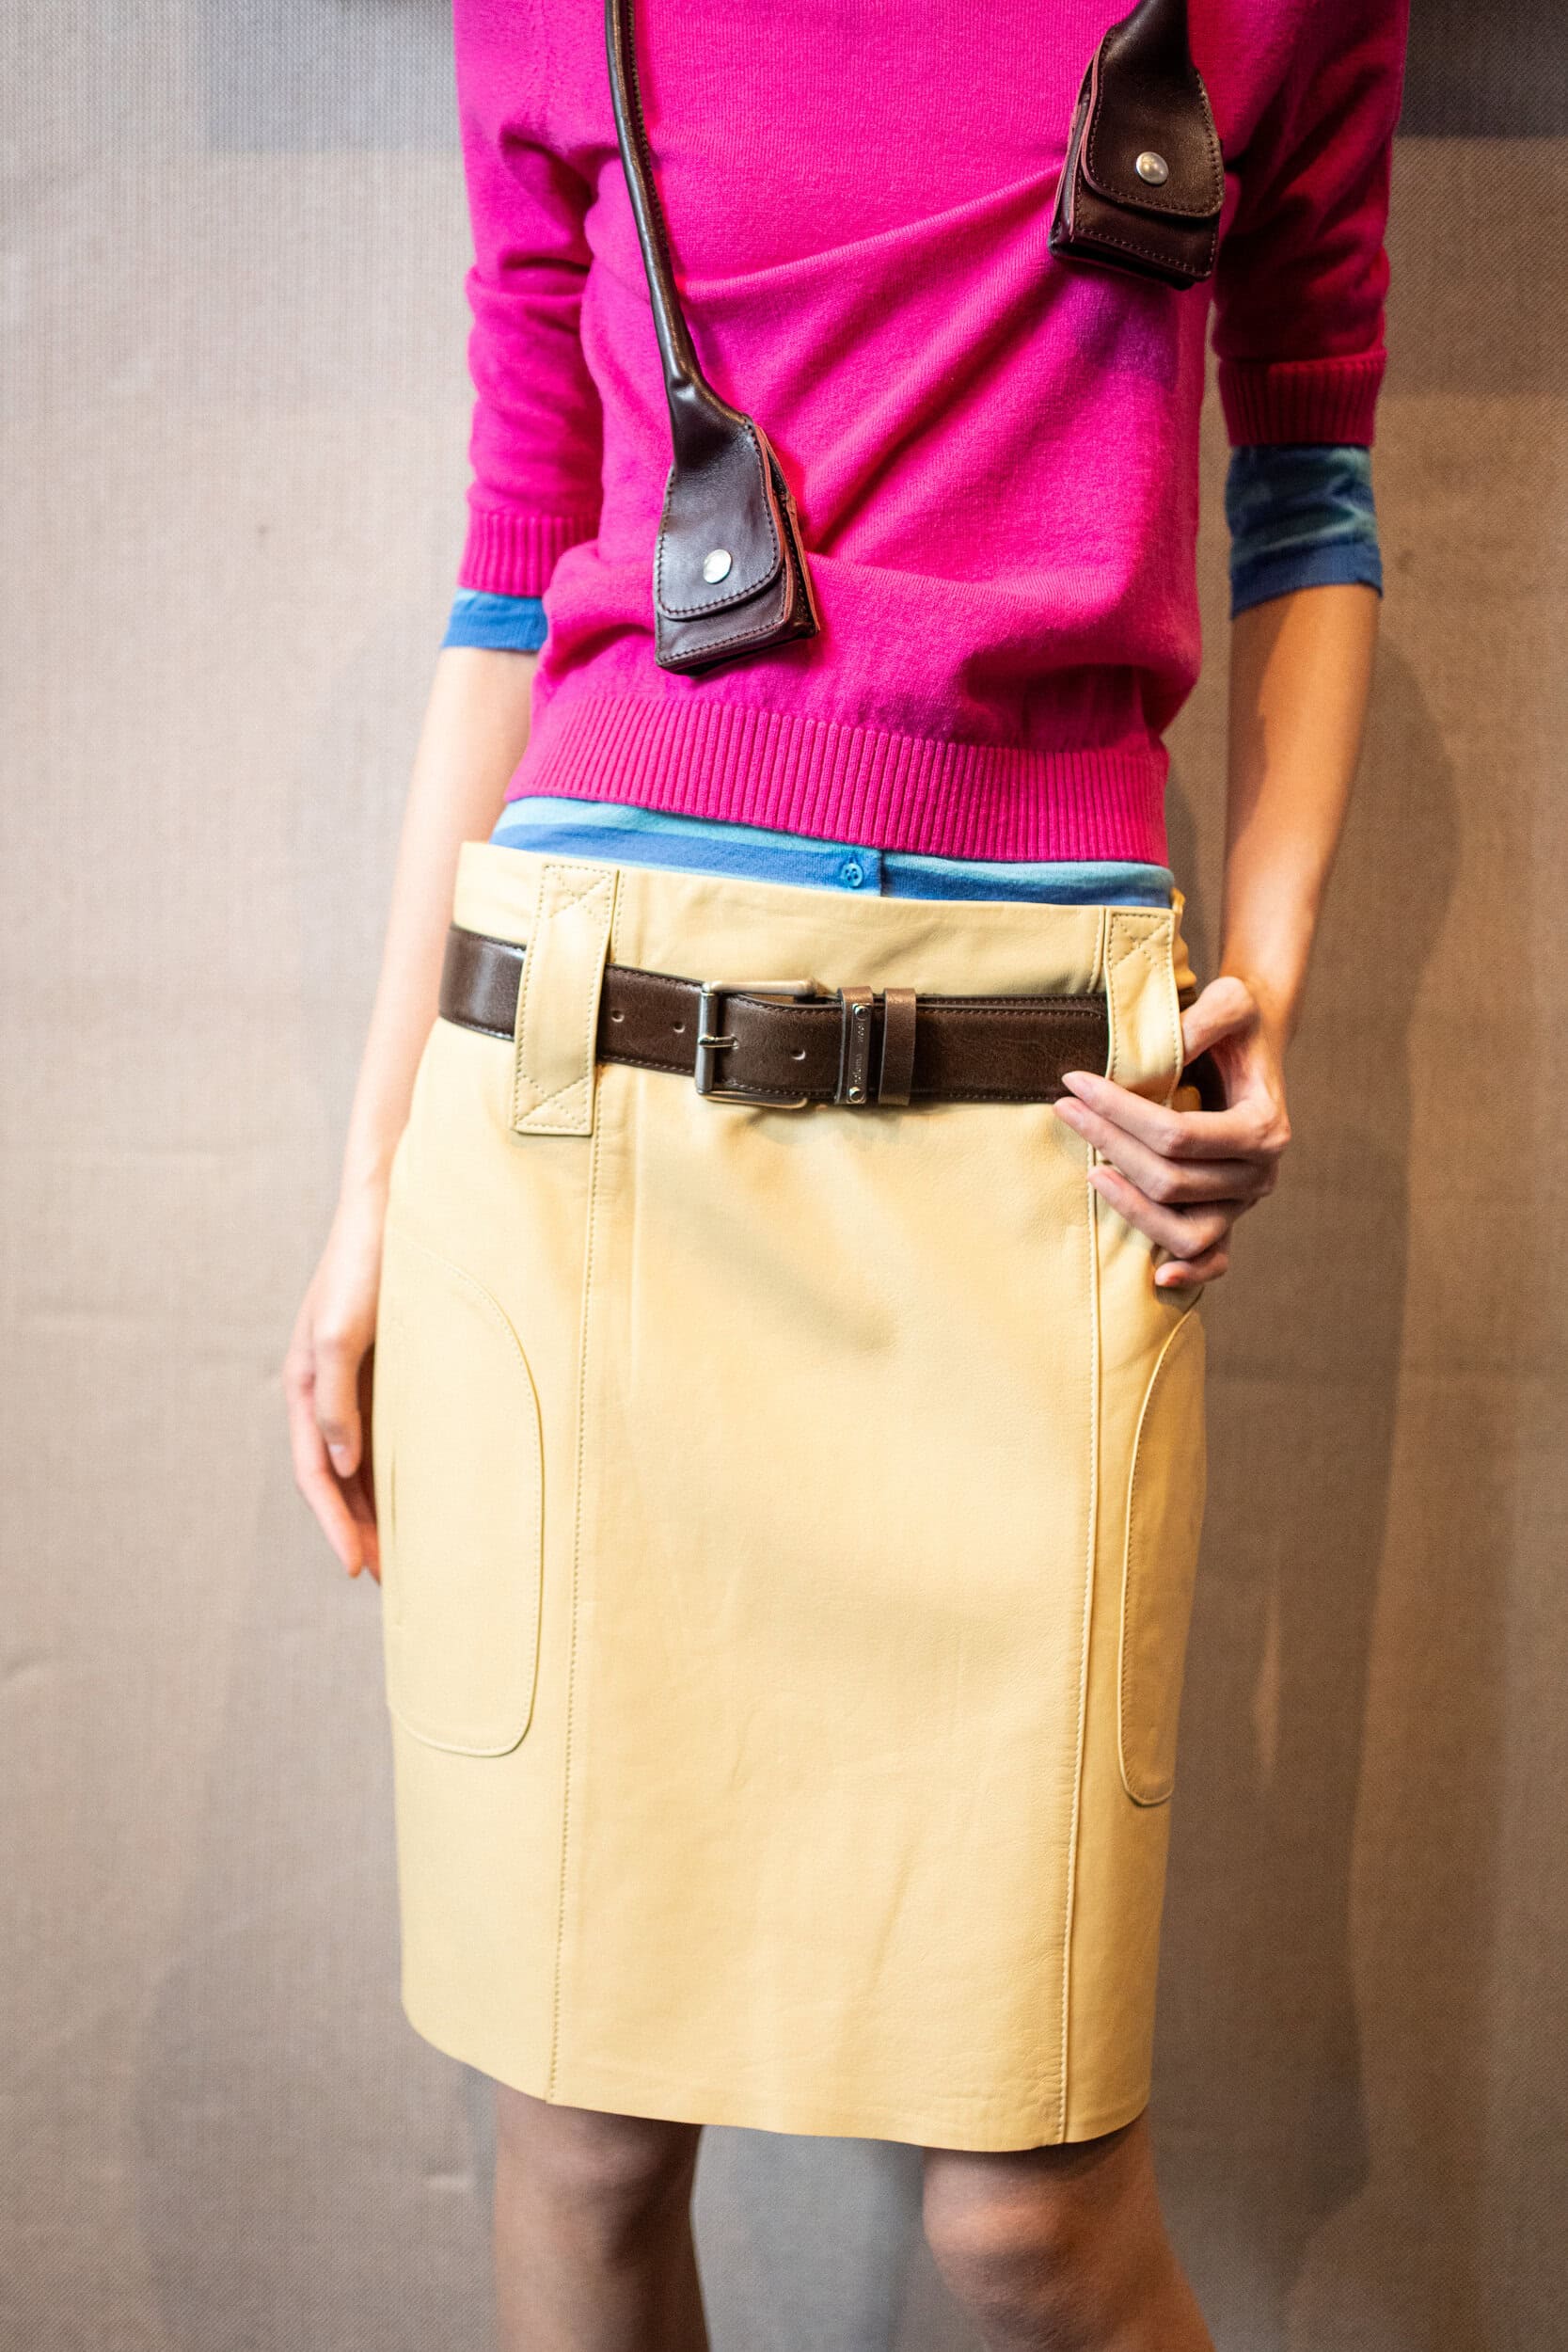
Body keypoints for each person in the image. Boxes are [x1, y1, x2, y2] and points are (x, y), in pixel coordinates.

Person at [285, 0, 1408, 2344]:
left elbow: (1311, 486)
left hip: (1040, 1140)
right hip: (589, 1113)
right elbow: (514, 575)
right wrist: (372, 1174)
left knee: (1033, 2221)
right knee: (586, 2147)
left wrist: (1263, 988)